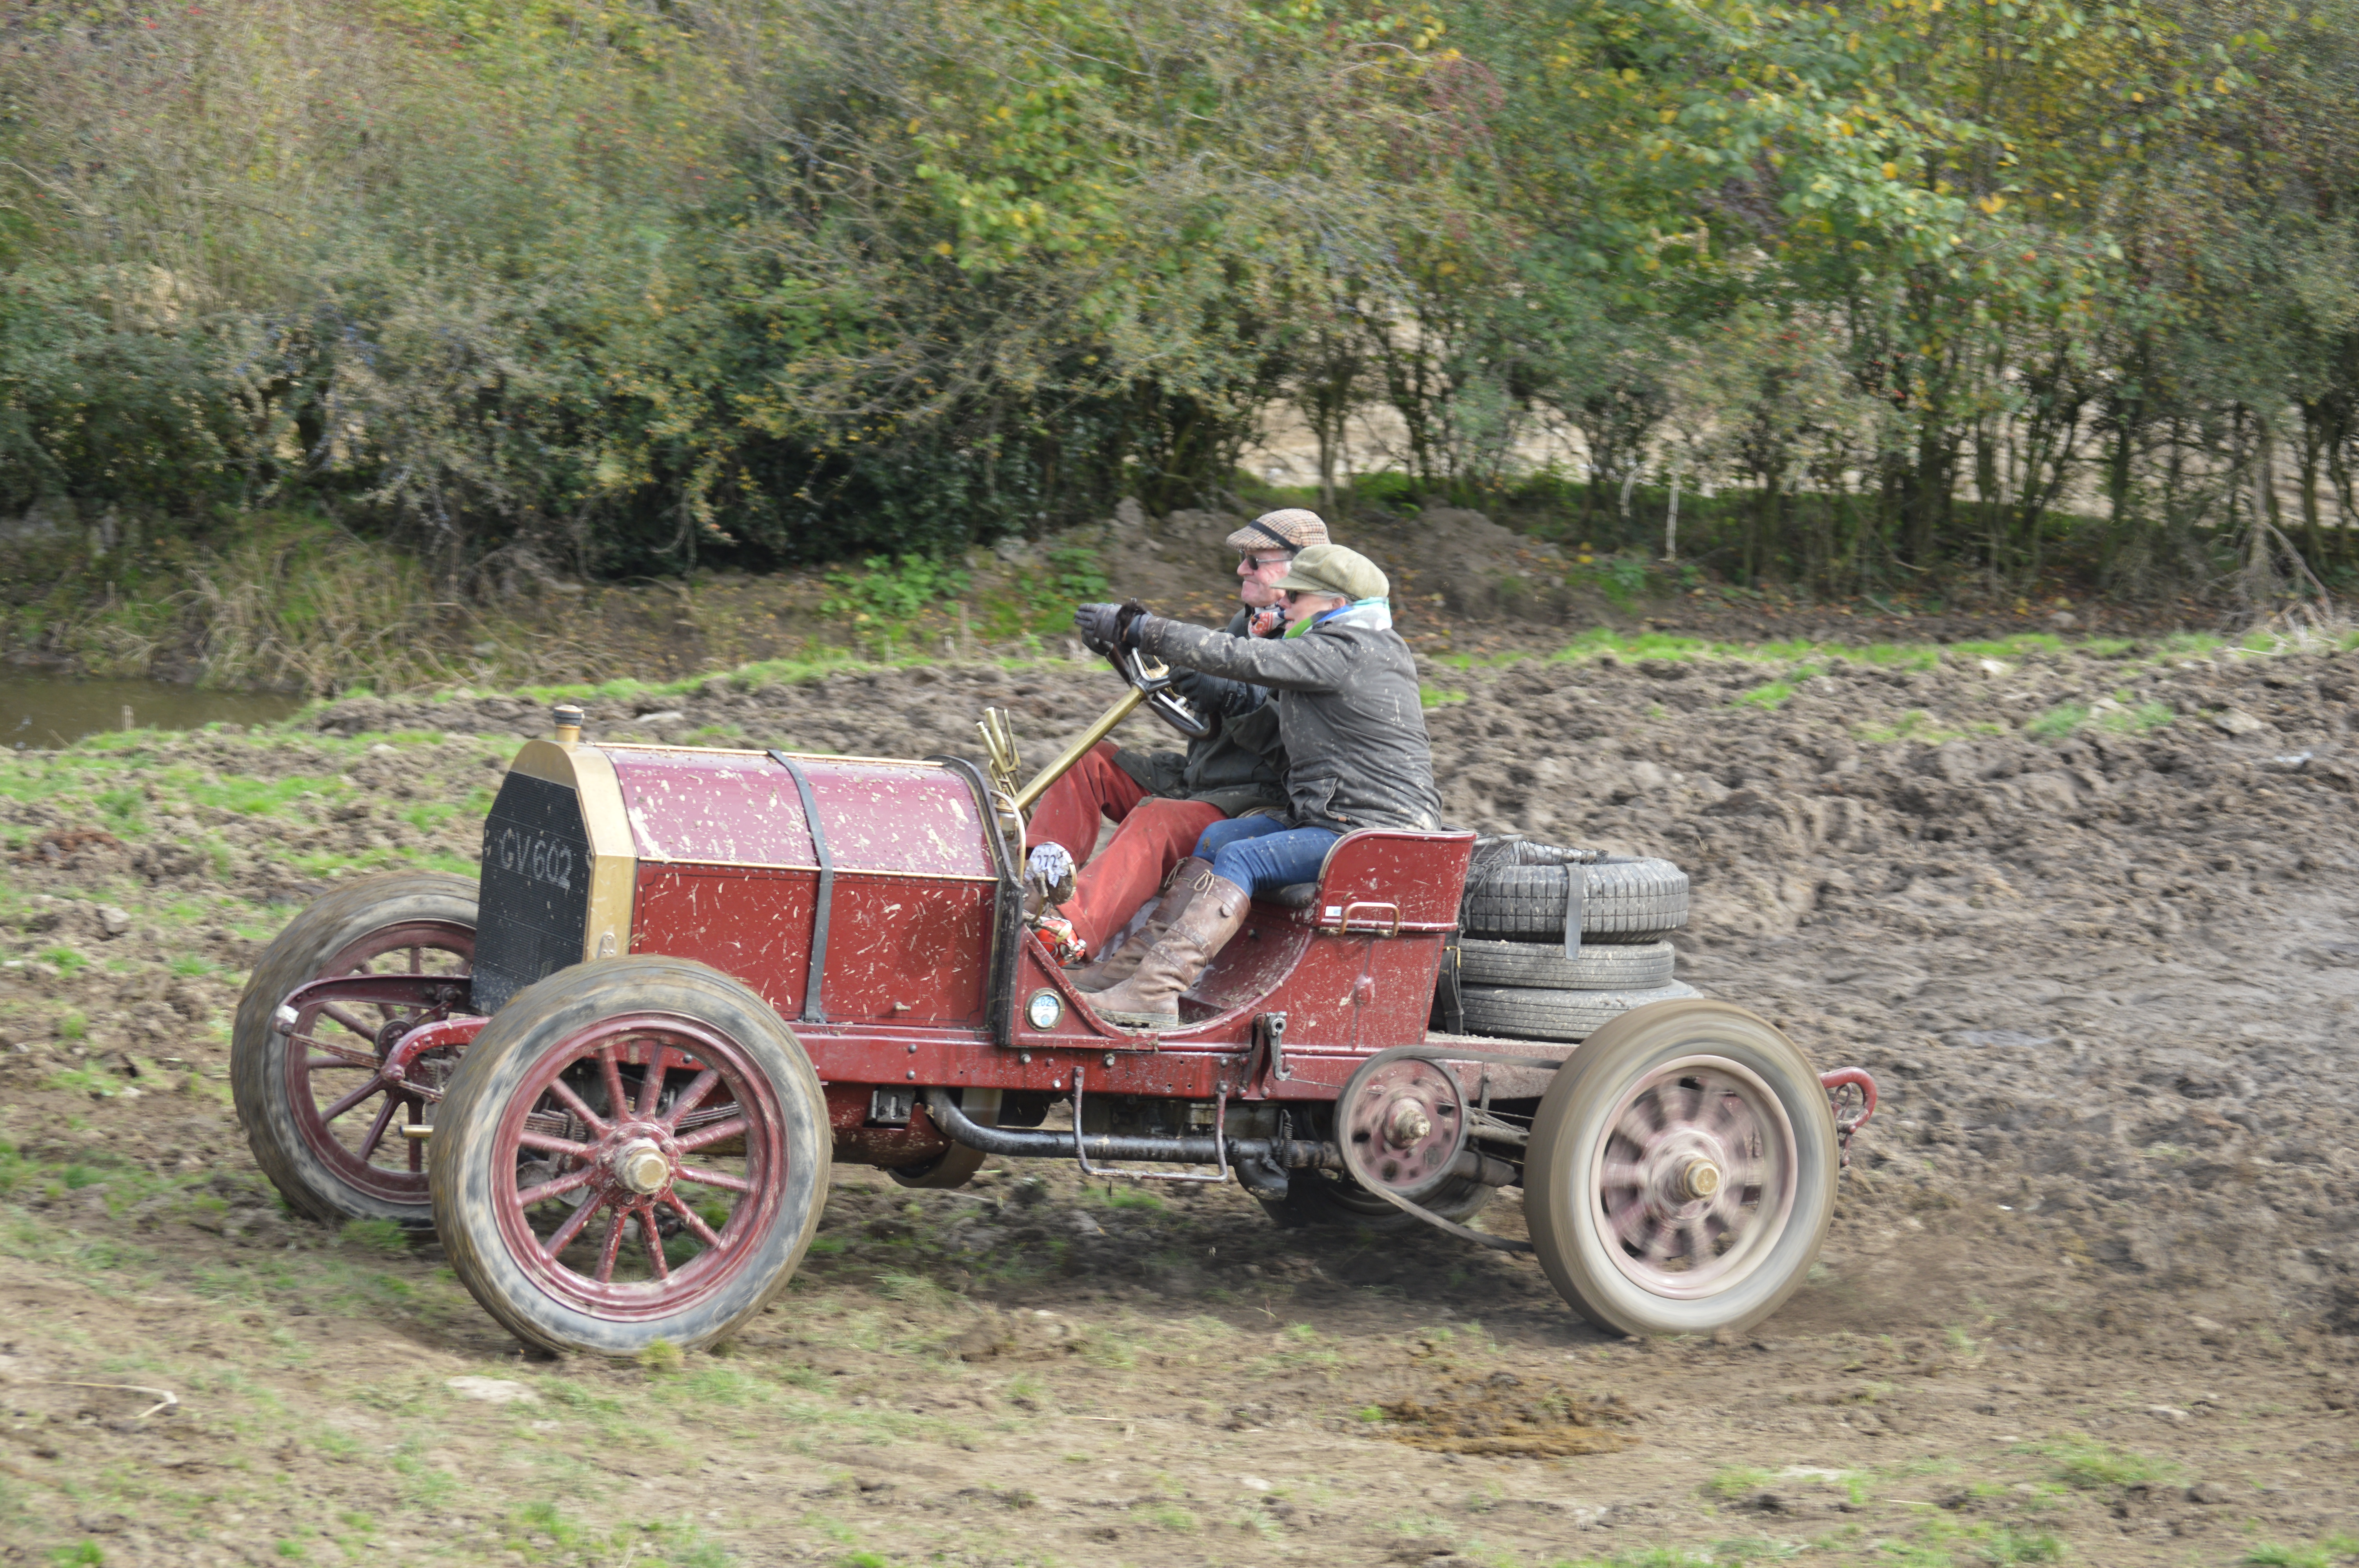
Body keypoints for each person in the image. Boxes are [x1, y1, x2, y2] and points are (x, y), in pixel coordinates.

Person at [1070, 543, 1441, 1030]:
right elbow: (1254, 689)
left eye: (1296, 596)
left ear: (1336, 603)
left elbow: (1239, 657)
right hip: (1335, 817)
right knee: (1220, 839)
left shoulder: (1347, 648)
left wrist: (1141, 629)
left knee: (1245, 857)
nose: (1282, 603)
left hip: (1372, 831)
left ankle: (1156, 990)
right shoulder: (1348, 646)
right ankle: (1128, 971)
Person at [1024, 508, 1329, 977]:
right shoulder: (1247, 623)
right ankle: (1030, 895)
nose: (1241, 569)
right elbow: (1198, 717)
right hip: (1202, 778)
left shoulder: (1314, 641)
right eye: (1243, 558)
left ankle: (1064, 935)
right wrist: (1123, 651)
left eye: (1255, 559)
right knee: (1090, 765)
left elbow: (1295, 746)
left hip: (1257, 802)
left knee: (1159, 819)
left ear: (1301, 565)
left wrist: (1234, 699)